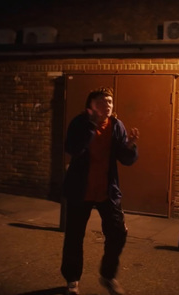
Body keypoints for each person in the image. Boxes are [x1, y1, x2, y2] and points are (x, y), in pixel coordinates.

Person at [61, 87, 139, 295]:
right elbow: (72, 149)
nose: (108, 106)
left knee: (118, 233)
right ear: (91, 106)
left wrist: (130, 146)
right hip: (81, 190)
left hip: (107, 191)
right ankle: (72, 280)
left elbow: (125, 159)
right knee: (74, 237)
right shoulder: (79, 123)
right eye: (102, 102)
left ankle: (107, 275)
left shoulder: (116, 125)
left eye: (110, 102)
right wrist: (92, 127)